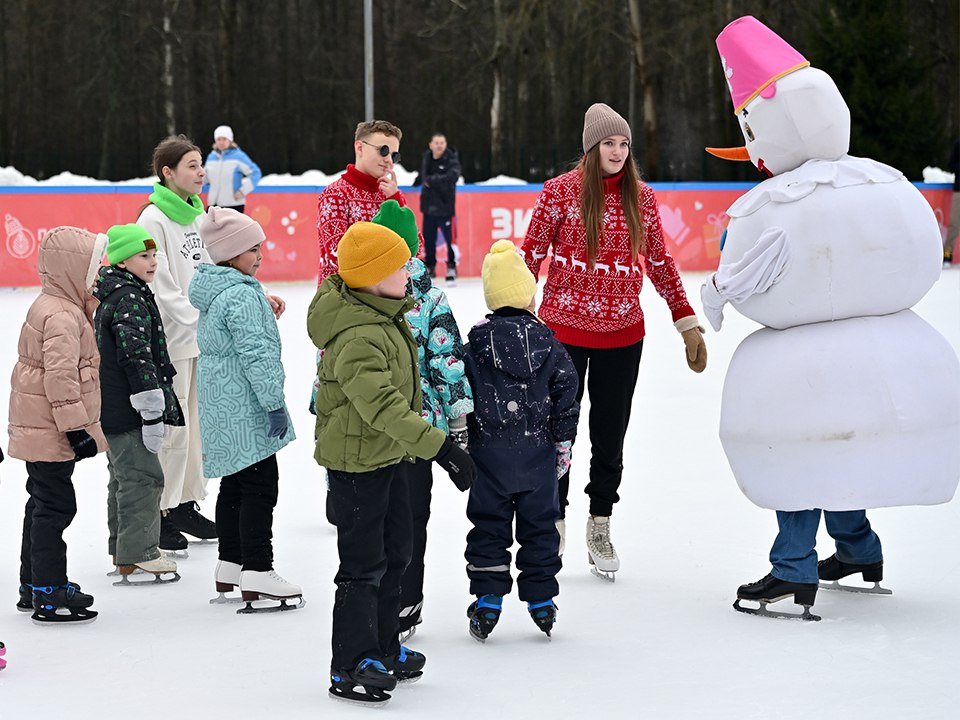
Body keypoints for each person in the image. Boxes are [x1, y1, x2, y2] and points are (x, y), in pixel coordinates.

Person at [521, 103, 707, 579]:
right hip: (561, 334)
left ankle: (600, 523)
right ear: (591, 147)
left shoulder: (640, 198)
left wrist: (684, 319)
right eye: (609, 143)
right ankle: (554, 518)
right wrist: (513, 314)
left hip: (623, 336)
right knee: (557, 431)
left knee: (610, 436)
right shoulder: (560, 193)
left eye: (624, 144)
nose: (618, 151)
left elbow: (661, 262)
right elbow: (530, 255)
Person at [308, 220, 476, 707]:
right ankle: (352, 662)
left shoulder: (387, 314)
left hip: (389, 458)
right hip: (357, 466)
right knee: (363, 566)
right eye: (400, 265)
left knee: (395, 553)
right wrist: (442, 448)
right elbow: (383, 407)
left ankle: (384, 645)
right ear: (373, 275)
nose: (409, 271)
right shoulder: (359, 334)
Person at [462, 240, 580, 641]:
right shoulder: (550, 344)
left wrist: (462, 438)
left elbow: (460, 392)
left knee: (488, 526)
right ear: (530, 295)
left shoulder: (474, 346)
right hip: (538, 456)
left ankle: (488, 599)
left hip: (488, 458)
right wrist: (563, 446)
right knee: (540, 526)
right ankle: (542, 599)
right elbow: (568, 395)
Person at [368, 200, 474, 642]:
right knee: (411, 518)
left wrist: (322, 409)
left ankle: (372, 596)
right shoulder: (430, 297)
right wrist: (457, 424)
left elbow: (329, 360)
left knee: (372, 518)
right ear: (414, 245)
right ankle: (406, 601)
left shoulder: (358, 287)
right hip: (418, 430)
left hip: (369, 428)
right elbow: (448, 363)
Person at [188, 208, 301, 611]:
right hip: (247, 405)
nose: (260, 255)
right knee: (260, 485)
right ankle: (258, 568)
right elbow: (259, 355)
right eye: (253, 249)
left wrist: (259, 299)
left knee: (235, 484)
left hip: (221, 405)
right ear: (231, 254)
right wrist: (274, 404)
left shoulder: (219, 289)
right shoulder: (241, 294)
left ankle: (231, 564)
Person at [8, 226, 108, 623]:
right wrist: (75, 429)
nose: (97, 275)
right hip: (50, 428)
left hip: (39, 425)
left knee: (41, 502)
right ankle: (49, 592)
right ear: (72, 269)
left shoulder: (54, 305)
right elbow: (60, 378)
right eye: (92, 268)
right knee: (55, 506)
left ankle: (32, 583)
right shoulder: (63, 316)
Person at [95, 224, 184, 585]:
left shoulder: (118, 292)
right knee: (143, 478)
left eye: (153, 255)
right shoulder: (129, 298)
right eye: (143, 256)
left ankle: (123, 549)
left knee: (122, 477)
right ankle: (139, 553)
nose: (152, 262)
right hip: (129, 406)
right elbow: (136, 357)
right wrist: (151, 409)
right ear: (122, 259)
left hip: (114, 405)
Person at [317, 120, 409, 284]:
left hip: (385, 298)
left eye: (394, 155)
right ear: (359, 147)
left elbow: (415, 247)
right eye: (383, 151)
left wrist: (395, 202)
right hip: (343, 298)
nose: (389, 160)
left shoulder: (392, 195)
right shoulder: (335, 194)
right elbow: (337, 255)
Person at [413, 133, 460, 282]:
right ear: (430, 145)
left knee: (449, 240)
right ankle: (430, 266)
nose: (439, 145)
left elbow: (453, 176)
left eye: (442, 143)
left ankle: (451, 265)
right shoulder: (427, 157)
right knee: (429, 239)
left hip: (445, 207)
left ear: (445, 145)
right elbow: (424, 174)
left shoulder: (451, 159)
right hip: (428, 207)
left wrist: (431, 180)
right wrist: (418, 181)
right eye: (436, 143)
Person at [203, 125, 262, 214]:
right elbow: (205, 179)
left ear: (230, 140)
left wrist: (242, 191)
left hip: (233, 205)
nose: (221, 142)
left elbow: (255, 173)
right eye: (219, 139)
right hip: (213, 205)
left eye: (224, 139)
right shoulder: (211, 157)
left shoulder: (239, 156)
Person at [947, 139, 959, 265]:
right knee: (954, 224)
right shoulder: (958, 144)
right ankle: (947, 256)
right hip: (959, 191)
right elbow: (951, 164)